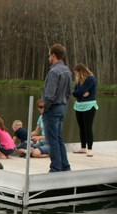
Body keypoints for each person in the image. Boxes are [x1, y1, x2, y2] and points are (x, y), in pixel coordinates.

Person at [42, 44, 73, 172]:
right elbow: (69, 92)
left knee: (52, 140)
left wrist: (45, 108)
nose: (48, 58)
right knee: (59, 139)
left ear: (54, 55)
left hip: (52, 109)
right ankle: (65, 166)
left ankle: (55, 168)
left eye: (49, 55)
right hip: (62, 107)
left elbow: (49, 95)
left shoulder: (54, 71)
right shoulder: (67, 70)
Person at [72, 63, 99, 157]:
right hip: (79, 105)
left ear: (81, 72)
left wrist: (80, 92)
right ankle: (83, 147)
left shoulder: (90, 79)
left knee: (88, 127)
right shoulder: (78, 81)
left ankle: (90, 149)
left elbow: (79, 91)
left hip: (89, 105)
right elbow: (75, 93)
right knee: (81, 127)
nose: (76, 75)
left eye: (77, 73)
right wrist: (80, 93)